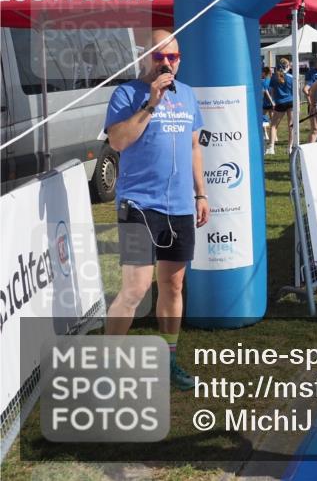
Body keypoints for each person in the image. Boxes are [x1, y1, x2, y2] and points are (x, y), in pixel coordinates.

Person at [103, 29, 209, 390]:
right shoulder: (127, 94)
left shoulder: (188, 95)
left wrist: (201, 194)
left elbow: (194, 147)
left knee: (173, 285)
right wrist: (151, 103)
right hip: (138, 205)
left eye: (173, 57)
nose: (166, 63)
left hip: (178, 207)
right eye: (159, 56)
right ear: (145, 57)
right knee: (135, 290)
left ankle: (169, 360)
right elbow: (118, 141)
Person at [267, 58, 294, 154]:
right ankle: (290, 147)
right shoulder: (291, 77)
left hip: (280, 103)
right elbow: (295, 91)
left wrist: (273, 101)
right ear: (287, 66)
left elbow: (272, 91)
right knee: (291, 125)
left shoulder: (274, 77)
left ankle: (271, 147)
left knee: (273, 126)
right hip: (291, 102)